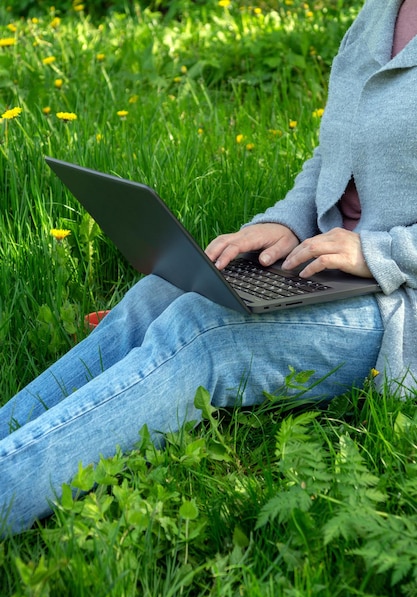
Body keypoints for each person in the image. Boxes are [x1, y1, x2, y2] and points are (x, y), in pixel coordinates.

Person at [1, 0, 416, 535]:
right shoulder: (380, 14)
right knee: (157, 294)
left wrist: (377, 253)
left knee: (204, 333)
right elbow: (332, 156)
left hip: (396, 295)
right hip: (325, 263)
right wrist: (286, 223)